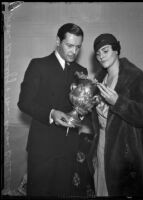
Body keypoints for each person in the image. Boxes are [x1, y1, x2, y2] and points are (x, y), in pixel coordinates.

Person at [17, 23, 95, 197]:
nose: (74, 51)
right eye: (69, 45)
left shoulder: (81, 71)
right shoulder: (38, 65)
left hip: (69, 148)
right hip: (42, 148)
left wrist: (83, 112)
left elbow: (80, 106)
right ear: (58, 41)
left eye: (78, 47)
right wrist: (51, 113)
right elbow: (24, 102)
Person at [88, 33, 143, 196]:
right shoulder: (100, 80)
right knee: (102, 189)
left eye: (105, 51)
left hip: (125, 153)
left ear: (116, 50)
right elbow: (101, 116)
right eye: (98, 54)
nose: (101, 56)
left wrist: (118, 102)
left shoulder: (134, 78)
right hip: (102, 144)